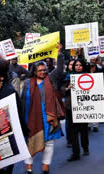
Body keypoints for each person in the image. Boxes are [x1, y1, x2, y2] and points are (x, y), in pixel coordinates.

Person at [20, 44, 64, 174]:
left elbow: (60, 69)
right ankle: (29, 167)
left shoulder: (51, 79)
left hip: (48, 117)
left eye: (44, 70)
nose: (43, 72)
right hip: (30, 118)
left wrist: (59, 53)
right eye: (40, 70)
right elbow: (22, 100)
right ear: (34, 71)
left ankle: (46, 166)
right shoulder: (28, 83)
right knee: (29, 141)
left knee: (49, 143)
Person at [66, 59, 90, 161]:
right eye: (76, 65)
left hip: (83, 107)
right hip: (71, 108)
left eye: (80, 65)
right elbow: (61, 89)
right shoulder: (68, 77)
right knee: (73, 131)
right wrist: (67, 88)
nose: (78, 67)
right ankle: (75, 153)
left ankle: (85, 147)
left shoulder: (89, 77)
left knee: (84, 129)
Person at [62, 59, 75, 148]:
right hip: (69, 103)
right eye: (71, 64)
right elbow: (61, 89)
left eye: (75, 64)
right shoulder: (64, 76)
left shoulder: (82, 75)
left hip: (80, 104)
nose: (73, 66)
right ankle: (69, 140)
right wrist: (67, 88)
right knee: (69, 123)